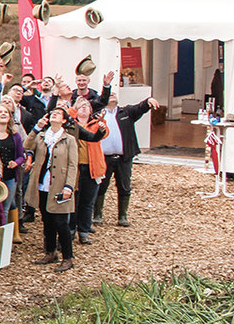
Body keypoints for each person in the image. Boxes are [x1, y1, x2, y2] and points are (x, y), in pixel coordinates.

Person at [24, 107, 79, 273]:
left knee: (61, 222)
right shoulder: (42, 136)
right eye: (52, 113)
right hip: (42, 183)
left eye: (58, 114)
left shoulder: (68, 139)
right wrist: (36, 128)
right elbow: (27, 145)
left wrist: (69, 186)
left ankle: (67, 257)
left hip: (60, 184)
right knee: (46, 220)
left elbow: (72, 164)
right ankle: (50, 252)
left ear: (63, 120)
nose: (54, 115)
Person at [95, 87, 160, 228]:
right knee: (101, 186)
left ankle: (122, 215)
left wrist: (148, 100)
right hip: (104, 157)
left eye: (114, 94)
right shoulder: (97, 114)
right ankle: (97, 214)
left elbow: (140, 107)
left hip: (124, 158)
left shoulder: (126, 112)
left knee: (124, 186)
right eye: (109, 94)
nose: (112, 96)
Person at [71, 99, 108, 245]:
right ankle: (71, 229)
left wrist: (101, 124)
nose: (84, 108)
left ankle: (84, 231)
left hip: (92, 167)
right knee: (74, 200)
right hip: (76, 167)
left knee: (88, 201)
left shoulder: (95, 123)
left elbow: (104, 133)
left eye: (87, 106)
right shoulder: (71, 124)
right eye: (81, 106)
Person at [0, 105, 26, 242]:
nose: (3, 113)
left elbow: (21, 155)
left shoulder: (15, 136)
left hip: (10, 177)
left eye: (6, 112)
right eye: (0, 111)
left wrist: (16, 163)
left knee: (5, 208)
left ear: (10, 117)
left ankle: (2, 240)